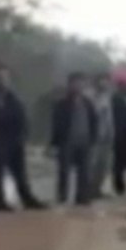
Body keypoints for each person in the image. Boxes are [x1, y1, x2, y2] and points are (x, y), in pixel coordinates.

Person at [0, 63, 47, 213]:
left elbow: (23, 117)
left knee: (20, 171)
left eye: (5, 77)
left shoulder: (14, 97)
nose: (3, 80)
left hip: (15, 138)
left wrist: (24, 135)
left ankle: (27, 198)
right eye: (0, 77)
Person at [50, 72, 98, 206]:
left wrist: (93, 139)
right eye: (75, 83)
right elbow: (56, 123)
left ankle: (82, 197)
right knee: (64, 171)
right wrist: (54, 143)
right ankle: (62, 196)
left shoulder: (88, 103)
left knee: (84, 171)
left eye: (81, 83)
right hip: (66, 141)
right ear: (70, 85)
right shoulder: (62, 103)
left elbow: (94, 121)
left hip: (85, 141)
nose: (78, 86)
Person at [89, 72, 115, 200]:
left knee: (104, 165)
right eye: (102, 80)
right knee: (93, 164)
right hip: (95, 136)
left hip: (108, 136)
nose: (104, 83)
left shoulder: (109, 97)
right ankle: (88, 190)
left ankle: (97, 189)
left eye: (107, 81)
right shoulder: (90, 96)